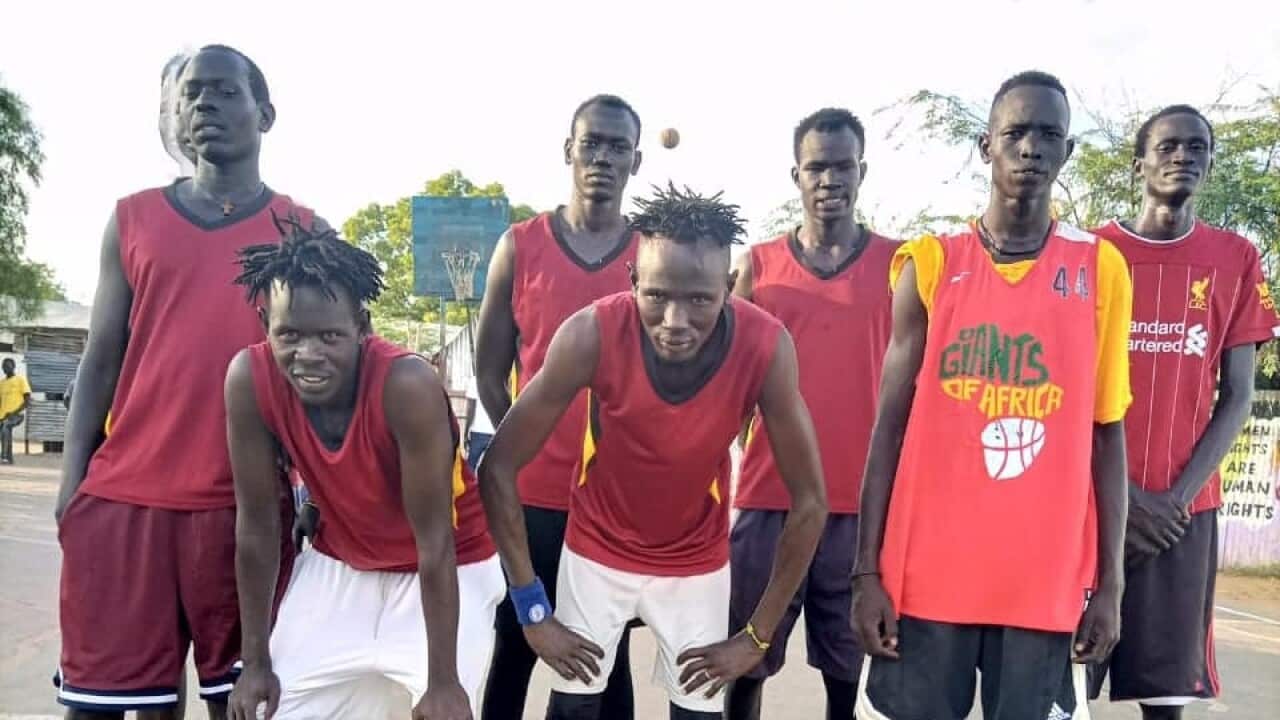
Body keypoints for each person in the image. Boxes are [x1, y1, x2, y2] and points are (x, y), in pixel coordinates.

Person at [477, 184, 829, 720]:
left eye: (700, 300)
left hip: (695, 560)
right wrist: (531, 607)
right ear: (632, 279)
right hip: (596, 549)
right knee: (574, 708)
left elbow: (810, 502)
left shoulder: (765, 347)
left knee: (696, 713)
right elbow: (498, 466)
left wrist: (756, 638)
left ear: (729, 286)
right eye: (657, 296)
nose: (675, 321)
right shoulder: (590, 333)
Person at [851, 70, 1133, 720]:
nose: (1031, 148)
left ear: (1068, 152)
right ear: (986, 147)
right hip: (924, 580)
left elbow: (1105, 432)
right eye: (1016, 132)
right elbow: (887, 429)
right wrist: (866, 573)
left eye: (1049, 135)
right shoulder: (930, 265)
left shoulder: (1100, 269)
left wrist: (1111, 585)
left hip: (1044, 585)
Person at [54, 45, 316, 719]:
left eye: (225, 92)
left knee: (248, 705)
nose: (204, 105)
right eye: (192, 94)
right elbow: (101, 359)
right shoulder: (132, 218)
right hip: (124, 498)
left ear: (265, 113)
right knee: (105, 707)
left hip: (245, 510)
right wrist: (71, 488)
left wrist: (319, 489)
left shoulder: (302, 231)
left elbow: (325, 380)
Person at [225, 222, 501, 720]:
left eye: (329, 335)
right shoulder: (250, 378)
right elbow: (258, 525)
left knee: (442, 712)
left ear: (363, 327)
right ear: (266, 325)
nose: (307, 355)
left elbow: (435, 539)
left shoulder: (406, 384)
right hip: (345, 558)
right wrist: (256, 661)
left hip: (448, 566)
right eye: (289, 334)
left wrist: (443, 681)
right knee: (277, 708)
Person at [1086, 105, 1280, 719]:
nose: (1182, 157)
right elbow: (1070, 392)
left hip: (1182, 514)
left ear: (1210, 163)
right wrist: (1125, 498)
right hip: (1088, 506)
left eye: (1197, 148)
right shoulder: (1092, 252)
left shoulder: (1236, 258)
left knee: (1165, 700)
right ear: (1138, 161)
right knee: (1058, 691)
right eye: (1168, 146)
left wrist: (1171, 503)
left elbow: (1239, 394)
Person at [473, 93, 643, 719]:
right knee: (516, 646)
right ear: (568, 150)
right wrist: (526, 443)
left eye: (616, 146)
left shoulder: (651, 255)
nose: (602, 156)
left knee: (606, 656)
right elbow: (493, 372)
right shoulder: (519, 247)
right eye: (590, 143)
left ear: (636, 160)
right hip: (532, 496)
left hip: (614, 500)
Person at [726, 107, 898, 720]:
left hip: (860, 509)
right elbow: (726, 383)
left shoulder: (901, 266)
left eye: (842, 166)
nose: (830, 179)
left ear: (862, 171)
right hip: (771, 499)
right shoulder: (759, 266)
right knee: (747, 664)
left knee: (845, 681)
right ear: (795, 176)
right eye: (817, 167)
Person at [1, 358, 32, 464]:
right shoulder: (2, 383)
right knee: (5, 430)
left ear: (13, 366)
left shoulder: (20, 380)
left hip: (17, 414)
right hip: (4, 416)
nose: (5, 367)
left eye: (8, 365)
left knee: (5, 427)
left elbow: (27, 401)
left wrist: (13, 412)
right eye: (3, 366)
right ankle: (9, 458)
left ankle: (4, 457)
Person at [463, 373, 494, 471]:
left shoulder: (475, 381)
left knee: (470, 468)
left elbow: (470, 409)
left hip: (478, 431)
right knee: (492, 469)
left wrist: (466, 432)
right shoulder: (503, 379)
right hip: (497, 431)